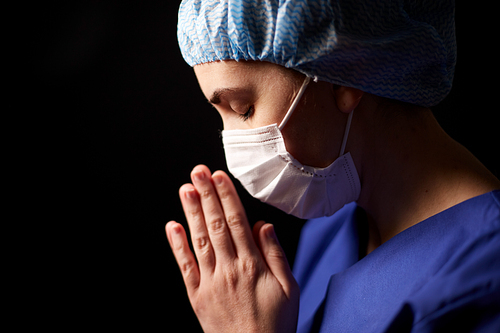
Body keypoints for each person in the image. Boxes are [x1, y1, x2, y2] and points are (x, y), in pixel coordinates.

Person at [166, 0, 500, 332]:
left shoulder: (483, 270)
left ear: (345, 75)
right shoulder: (335, 226)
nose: (232, 144)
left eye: (243, 109)